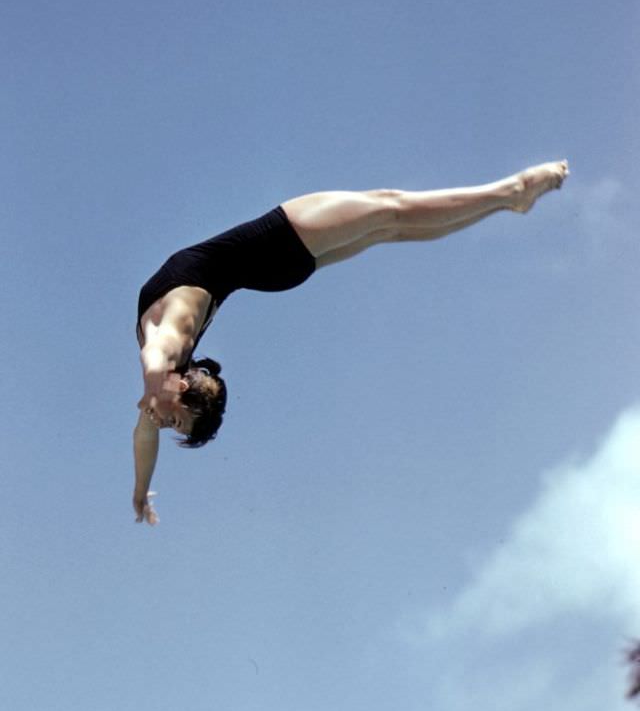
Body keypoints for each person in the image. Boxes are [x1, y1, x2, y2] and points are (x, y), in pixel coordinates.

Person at [133, 160, 569, 524]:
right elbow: (145, 432)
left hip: (281, 244)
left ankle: (509, 196)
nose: (164, 423)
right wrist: (141, 488)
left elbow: (155, 362)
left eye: (175, 423)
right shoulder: (171, 361)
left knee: (391, 221)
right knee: (390, 213)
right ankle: (509, 194)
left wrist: (154, 400)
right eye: (176, 424)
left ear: (184, 391)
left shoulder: (166, 350)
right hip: (279, 253)